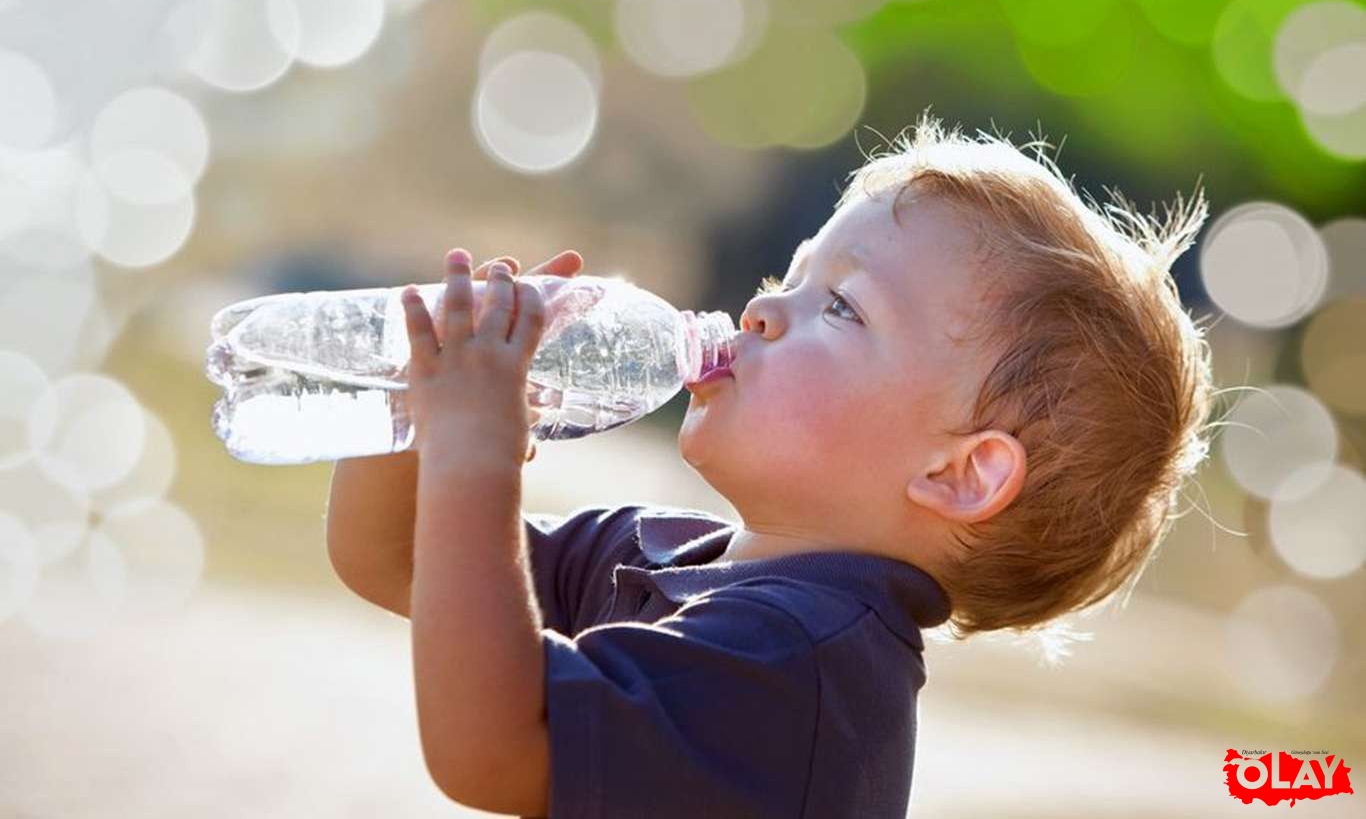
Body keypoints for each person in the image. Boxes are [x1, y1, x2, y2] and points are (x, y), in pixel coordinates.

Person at [325, 110, 1218, 817]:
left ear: (959, 474)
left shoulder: (799, 669)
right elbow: (395, 554)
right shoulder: (671, 557)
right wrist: (420, 404)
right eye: (787, 277)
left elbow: (489, 749)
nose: (759, 313)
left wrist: (478, 457)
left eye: (839, 307)